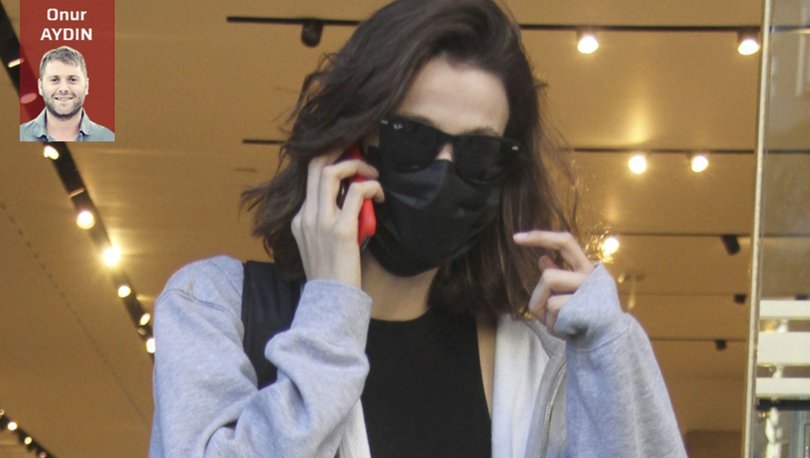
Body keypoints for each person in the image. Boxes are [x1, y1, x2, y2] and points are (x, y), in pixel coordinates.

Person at [150, 0, 687, 456]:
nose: (444, 172)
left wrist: (610, 355)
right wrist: (331, 312)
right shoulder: (215, 306)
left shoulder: (531, 360)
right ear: (349, 142)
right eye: (413, 137)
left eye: (478, 152)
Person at [19, 45, 114, 142]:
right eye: (54, 80)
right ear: (40, 86)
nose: (63, 89)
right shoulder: (19, 136)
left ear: (86, 86)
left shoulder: (108, 138)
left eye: (72, 79)